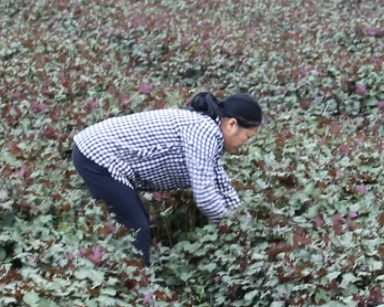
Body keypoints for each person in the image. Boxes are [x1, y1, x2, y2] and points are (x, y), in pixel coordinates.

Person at [71, 92, 262, 266]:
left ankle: (124, 271)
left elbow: (222, 185)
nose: (245, 143)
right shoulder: (204, 132)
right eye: (247, 136)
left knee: (139, 221)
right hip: (96, 155)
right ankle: (135, 284)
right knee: (136, 226)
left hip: (102, 155)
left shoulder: (210, 133)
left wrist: (246, 225)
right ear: (232, 125)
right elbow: (206, 197)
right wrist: (230, 230)